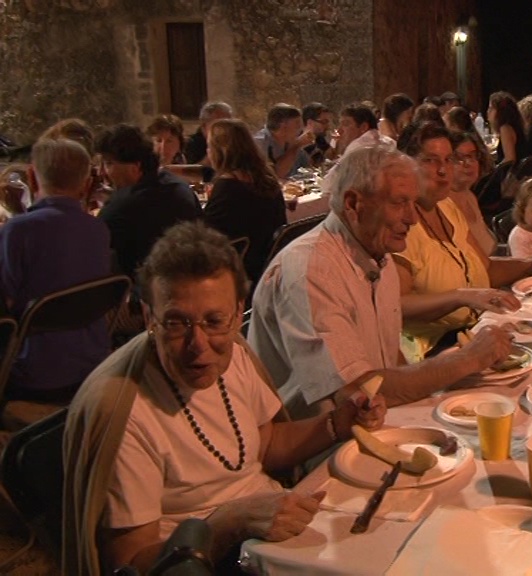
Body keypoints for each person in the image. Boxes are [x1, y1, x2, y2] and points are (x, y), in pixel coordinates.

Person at [63, 222, 386, 575]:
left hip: (268, 531)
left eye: (214, 321)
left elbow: (266, 444)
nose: (198, 345)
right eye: (176, 323)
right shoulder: (125, 412)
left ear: (237, 312)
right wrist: (228, 523)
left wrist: (338, 423)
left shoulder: (234, 353)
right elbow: (132, 562)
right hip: (206, 560)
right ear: (147, 317)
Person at [248, 144, 516, 415]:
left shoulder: (377, 251)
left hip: (374, 420)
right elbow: (356, 392)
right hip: (318, 446)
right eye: (399, 203)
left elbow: (389, 359)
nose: (412, 218)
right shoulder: (311, 270)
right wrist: (466, 360)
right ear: (353, 204)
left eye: (413, 203)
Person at [395, 122, 532, 361]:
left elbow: (486, 268)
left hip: (477, 330)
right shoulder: (399, 224)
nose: (443, 170)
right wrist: (460, 296)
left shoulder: (447, 207)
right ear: (404, 165)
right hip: (433, 349)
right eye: (431, 160)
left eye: (447, 160)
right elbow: (398, 306)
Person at [0, 138, 111, 403]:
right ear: (85, 184)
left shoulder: (18, 231)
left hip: (34, 371)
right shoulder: (98, 229)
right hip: (93, 363)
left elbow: (7, 302)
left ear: (31, 178)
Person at [96, 124, 202, 279]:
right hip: (193, 277)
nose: (101, 172)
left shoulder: (121, 209)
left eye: (109, 163)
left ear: (135, 167)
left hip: (151, 293)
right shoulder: (178, 185)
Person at [203, 119, 287, 284]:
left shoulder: (227, 187)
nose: (208, 152)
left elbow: (206, 236)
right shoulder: (267, 179)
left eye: (209, 146)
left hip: (236, 273)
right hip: (267, 266)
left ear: (220, 151)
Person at [448, 130, 497, 256]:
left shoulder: (469, 196)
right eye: (459, 158)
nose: (468, 164)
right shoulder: (444, 204)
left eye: (472, 156)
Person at [252, 103, 315, 179]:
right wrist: (297, 145)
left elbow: (308, 167)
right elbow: (276, 175)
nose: (300, 128)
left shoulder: (289, 139)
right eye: (297, 124)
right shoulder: (260, 144)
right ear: (283, 126)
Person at [487, 91, 529, 166]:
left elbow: (510, 159)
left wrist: (494, 170)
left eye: (491, 108)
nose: (488, 111)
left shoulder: (505, 128)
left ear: (501, 112)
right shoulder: (515, 125)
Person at [301, 102, 334, 167]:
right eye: (324, 122)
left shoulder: (319, 137)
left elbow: (330, 157)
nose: (328, 126)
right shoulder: (301, 143)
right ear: (310, 122)